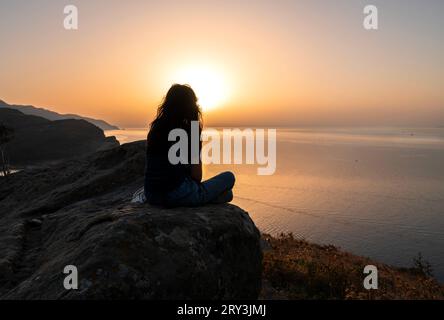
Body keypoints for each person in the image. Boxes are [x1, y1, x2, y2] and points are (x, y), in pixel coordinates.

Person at [144, 84, 235, 207]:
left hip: (151, 195)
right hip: (176, 194)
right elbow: (197, 177)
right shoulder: (190, 130)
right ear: (191, 106)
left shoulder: (156, 128)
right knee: (229, 178)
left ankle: (202, 196)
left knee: (227, 195)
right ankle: (201, 197)